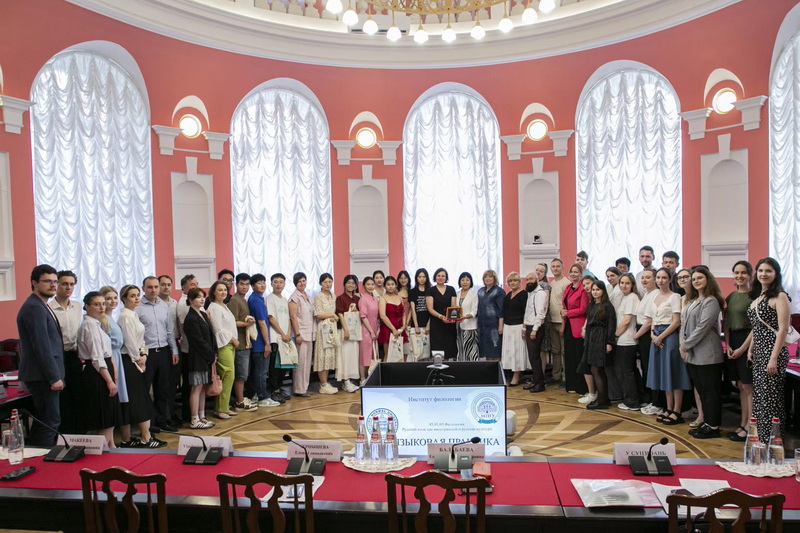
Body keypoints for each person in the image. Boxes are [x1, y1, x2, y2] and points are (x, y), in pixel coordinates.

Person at [17, 264, 65, 446]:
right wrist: (54, 377)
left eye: (55, 281)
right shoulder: (34, 307)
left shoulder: (40, 305)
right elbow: (41, 345)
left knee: (48, 420)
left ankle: (40, 454)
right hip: (42, 376)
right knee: (49, 421)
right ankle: (42, 457)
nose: (53, 285)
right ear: (34, 283)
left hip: (43, 374)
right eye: (47, 281)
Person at [746, 257, 791, 444]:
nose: (764, 274)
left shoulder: (780, 296)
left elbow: (783, 329)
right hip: (759, 353)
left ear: (776, 274)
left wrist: (773, 358)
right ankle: (761, 439)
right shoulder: (758, 297)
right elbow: (757, 328)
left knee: (771, 399)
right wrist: (750, 350)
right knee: (761, 398)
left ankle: (773, 441)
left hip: (773, 352)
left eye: (769, 271)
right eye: (761, 270)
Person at [680, 266, 725, 439]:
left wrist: (685, 345)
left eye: (700, 278)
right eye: (694, 279)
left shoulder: (711, 301)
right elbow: (684, 324)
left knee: (711, 392)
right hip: (694, 353)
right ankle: (706, 422)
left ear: (708, 280)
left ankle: (713, 426)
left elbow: (702, 328)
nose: (696, 281)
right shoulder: (692, 301)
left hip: (708, 354)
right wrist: (683, 345)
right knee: (702, 391)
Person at [117, 284, 161, 447]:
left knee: (141, 397)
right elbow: (129, 342)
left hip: (138, 358)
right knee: (138, 398)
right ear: (124, 299)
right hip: (129, 361)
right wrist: (137, 359)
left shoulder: (134, 314)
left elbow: (141, 339)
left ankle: (144, 435)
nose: (136, 298)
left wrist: (144, 354)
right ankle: (143, 437)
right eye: (132, 296)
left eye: (137, 295)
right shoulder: (125, 316)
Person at [77, 292, 121, 448]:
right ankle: (99, 449)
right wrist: (109, 380)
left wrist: (113, 373)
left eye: (103, 304)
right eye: (97, 304)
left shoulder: (96, 323)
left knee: (110, 414)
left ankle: (110, 447)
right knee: (106, 416)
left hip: (104, 368)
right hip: (97, 373)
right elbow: (97, 358)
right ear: (87, 307)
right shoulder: (89, 325)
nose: (102, 307)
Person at [135, 276, 179, 432]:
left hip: (164, 352)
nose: (153, 290)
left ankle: (162, 421)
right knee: (146, 389)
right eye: (150, 287)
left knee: (163, 389)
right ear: (143, 288)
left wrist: (174, 350)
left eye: (155, 287)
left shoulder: (163, 306)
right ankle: (150, 423)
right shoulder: (137, 308)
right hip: (147, 354)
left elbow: (169, 330)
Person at [647, 267, 690, 425]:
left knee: (673, 373)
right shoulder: (654, 297)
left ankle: (677, 410)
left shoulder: (674, 296)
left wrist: (661, 336)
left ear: (670, 279)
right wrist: (653, 335)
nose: (660, 280)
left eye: (664, 277)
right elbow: (653, 320)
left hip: (669, 336)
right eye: (658, 277)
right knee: (663, 373)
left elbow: (676, 321)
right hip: (656, 336)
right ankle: (668, 407)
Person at [48, 270, 82, 434]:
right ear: (57, 285)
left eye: (71, 284)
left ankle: (79, 434)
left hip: (75, 355)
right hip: (57, 356)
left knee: (78, 396)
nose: (68, 287)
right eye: (64, 284)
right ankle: (64, 434)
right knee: (63, 398)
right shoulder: (49, 308)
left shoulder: (77, 306)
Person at [724, 261, 754, 441]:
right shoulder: (731, 296)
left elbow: (756, 327)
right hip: (733, 340)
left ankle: (751, 426)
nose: (739, 276)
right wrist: (728, 344)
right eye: (736, 272)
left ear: (750, 275)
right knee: (741, 386)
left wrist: (743, 348)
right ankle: (743, 423)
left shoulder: (754, 296)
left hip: (748, 342)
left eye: (743, 273)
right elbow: (727, 323)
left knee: (749, 386)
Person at [182, 288, 218, 429]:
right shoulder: (190, 317)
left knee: (202, 388)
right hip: (197, 357)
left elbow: (210, 335)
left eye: (203, 296)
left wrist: (213, 353)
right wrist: (210, 354)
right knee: (196, 388)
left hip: (206, 356)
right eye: (198, 297)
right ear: (190, 300)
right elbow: (198, 340)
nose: (202, 299)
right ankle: (194, 419)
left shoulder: (202, 314)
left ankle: (202, 416)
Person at [205, 280, 239, 419]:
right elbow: (218, 329)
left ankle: (223, 406)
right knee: (227, 375)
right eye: (220, 290)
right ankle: (221, 409)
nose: (223, 292)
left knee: (229, 376)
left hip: (229, 344)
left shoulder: (224, 306)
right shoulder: (214, 307)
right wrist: (233, 339)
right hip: (223, 344)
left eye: (225, 290)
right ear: (214, 292)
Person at [582, 281, 617, 410]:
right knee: (595, 369)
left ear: (603, 291)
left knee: (597, 369)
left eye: (598, 289)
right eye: (593, 290)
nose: (595, 292)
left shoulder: (607, 306)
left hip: (601, 338)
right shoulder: (592, 305)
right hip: (592, 339)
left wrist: (609, 342)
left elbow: (611, 325)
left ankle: (602, 399)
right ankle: (603, 398)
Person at [226, 273, 258, 411]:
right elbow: (231, 322)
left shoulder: (243, 299)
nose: (244, 287)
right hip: (239, 343)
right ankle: (239, 401)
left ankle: (241, 398)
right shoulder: (234, 300)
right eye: (242, 284)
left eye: (247, 284)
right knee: (241, 374)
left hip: (246, 342)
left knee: (244, 373)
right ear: (236, 284)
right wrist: (246, 324)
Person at [247, 274, 279, 407]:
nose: (262, 285)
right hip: (260, 343)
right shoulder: (256, 300)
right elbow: (262, 323)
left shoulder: (257, 298)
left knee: (258, 371)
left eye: (263, 282)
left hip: (259, 343)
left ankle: (255, 394)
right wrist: (267, 344)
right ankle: (263, 397)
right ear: (253, 286)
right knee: (261, 372)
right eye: (259, 283)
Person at [635, 269, 661, 415]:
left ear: (655, 279)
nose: (644, 280)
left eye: (648, 277)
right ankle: (649, 398)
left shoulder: (655, 294)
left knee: (651, 367)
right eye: (643, 277)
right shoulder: (646, 294)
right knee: (645, 367)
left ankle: (655, 401)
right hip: (642, 332)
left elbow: (649, 320)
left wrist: (637, 335)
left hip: (647, 333)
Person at [614, 274, 641, 411]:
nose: (624, 286)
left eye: (627, 283)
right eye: (622, 283)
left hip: (627, 340)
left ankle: (632, 402)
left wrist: (615, 335)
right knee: (630, 371)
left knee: (626, 372)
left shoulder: (631, 298)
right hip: (624, 340)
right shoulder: (626, 297)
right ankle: (639, 398)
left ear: (632, 285)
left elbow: (626, 321)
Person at [562, 264, 589, 396]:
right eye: (571, 272)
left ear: (581, 273)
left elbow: (583, 309)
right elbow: (565, 305)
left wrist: (568, 313)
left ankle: (581, 387)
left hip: (578, 326)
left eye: (576, 272)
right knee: (569, 356)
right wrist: (563, 311)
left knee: (578, 356)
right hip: (568, 325)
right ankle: (571, 384)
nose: (573, 274)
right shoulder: (568, 287)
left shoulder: (583, 289)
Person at [175, 274, 199, 422]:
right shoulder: (184, 303)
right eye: (192, 284)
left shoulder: (193, 302)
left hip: (194, 348)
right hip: (189, 348)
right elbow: (187, 328)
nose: (196, 286)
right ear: (184, 288)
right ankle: (188, 414)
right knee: (190, 384)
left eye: (197, 284)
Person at [157, 274, 181, 427]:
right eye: (163, 284)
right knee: (163, 385)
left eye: (168, 284)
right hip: (161, 345)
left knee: (173, 383)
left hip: (175, 344)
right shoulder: (156, 304)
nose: (166, 287)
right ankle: (163, 416)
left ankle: (171, 413)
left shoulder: (174, 303)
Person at [267, 273, 294, 403]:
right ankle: (274, 391)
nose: (278, 284)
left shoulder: (284, 299)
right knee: (275, 367)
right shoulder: (269, 298)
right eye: (275, 282)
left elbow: (288, 319)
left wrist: (288, 333)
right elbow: (271, 317)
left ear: (284, 284)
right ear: (271, 284)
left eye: (281, 282)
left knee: (284, 365)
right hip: (275, 338)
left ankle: (279, 387)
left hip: (286, 338)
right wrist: (282, 333)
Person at [289, 272, 314, 397]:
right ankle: (299, 389)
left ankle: (305, 387)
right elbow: (293, 317)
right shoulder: (294, 297)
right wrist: (297, 334)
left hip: (309, 332)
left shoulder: (307, 296)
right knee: (300, 363)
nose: (302, 283)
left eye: (304, 280)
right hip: (301, 334)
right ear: (295, 283)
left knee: (307, 363)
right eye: (299, 281)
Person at [314, 273, 340, 394]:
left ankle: (326, 383)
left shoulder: (333, 296)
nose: (328, 284)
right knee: (322, 355)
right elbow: (317, 314)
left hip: (332, 328)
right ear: (321, 283)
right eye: (325, 282)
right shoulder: (318, 297)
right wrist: (332, 315)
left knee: (329, 355)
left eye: (330, 282)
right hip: (323, 328)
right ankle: (323, 384)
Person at [501, 272, 528, 386]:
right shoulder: (508, 296)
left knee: (517, 351)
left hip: (519, 326)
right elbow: (504, 312)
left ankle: (517, 374)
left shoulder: (524, 294)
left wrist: (524, 327)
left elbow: (526, 312)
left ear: (519, 282)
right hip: (508, 326)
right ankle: (511, 373)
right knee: (510, 351)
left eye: (515, 280)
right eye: (510, 281)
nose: (513, 283)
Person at [523, 274, 548, 392]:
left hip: (535, 328)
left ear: (537, 280)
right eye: (527, 279)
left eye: (531, 279)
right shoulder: (530, 293)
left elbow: (540, 313)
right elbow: (527, 312)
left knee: (535, 357)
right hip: (529, 327)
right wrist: (524, 328)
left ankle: (540, 384)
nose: (529, 281)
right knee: (532, 357)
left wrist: (534, 330)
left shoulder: (540, 294)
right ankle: (536, 381)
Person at [336, 274, 361, 392]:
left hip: (354, 331)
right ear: (344, 284)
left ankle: (349, 380)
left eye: (353, 283)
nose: (351, 285)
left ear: (356, 286)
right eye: (348, 283)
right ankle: (345, 381)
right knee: (344, 356)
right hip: (344, 331)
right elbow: (340, 314)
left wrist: (356, 310)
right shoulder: (340, 298)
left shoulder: (357, 299)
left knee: (353, 356)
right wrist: (345, 330)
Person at [426, 268, 458, 359]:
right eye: (438, 276)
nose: (440, 278)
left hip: (449, 324)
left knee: (449, 350)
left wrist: (452, 318)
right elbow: (430, 308)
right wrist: (441, 316)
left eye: (443, 276)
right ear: (435, 277)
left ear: (446, 278)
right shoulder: (431, 290)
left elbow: (453, 306)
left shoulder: (451, 289)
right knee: (437, 350)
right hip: (436, 323)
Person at [548, 258, 570, 385]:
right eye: (553, 266)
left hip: (562, 322)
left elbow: (567, 305)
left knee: (564, 351)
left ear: (562, 268)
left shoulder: (566, 283)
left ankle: (566, 377)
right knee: (555, 351)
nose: (555, 268)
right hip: (552, 321)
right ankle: (556, 376)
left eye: (558, 266)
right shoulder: (552, 283)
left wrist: (564, 321)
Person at [378, 276, 409, 361]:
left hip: (400, 329)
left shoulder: (399, 297)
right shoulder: (383, 299)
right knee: (388, 354)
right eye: (388, 284)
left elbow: (403, 313)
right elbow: (382, 316)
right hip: (388, 328)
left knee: (401, 354)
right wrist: (393, 329)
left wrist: (403, 326)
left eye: (392, 284)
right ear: (384, 286)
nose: (390, 286)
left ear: (396, 285)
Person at [477, 270, 504, 360]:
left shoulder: (499, 291)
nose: (487, 279)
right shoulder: (480, 291)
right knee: (486, 352)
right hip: (482, 326)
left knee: (495, 350)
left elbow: (501, 310)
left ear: (494, 278)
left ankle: (496, 368)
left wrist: (500, 326)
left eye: (490, 277)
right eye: (486, 277)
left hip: (494, 325)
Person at [358, 276, 380, 378]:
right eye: (368, 284)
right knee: (364, 355)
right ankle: (362, 378)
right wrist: (371, 331)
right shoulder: (363, 299)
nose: (370, 286)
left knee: (373, 355)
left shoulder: (375, 299)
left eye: (372, 284)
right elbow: (363, 316)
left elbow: (378, 316)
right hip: (366, 330)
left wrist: (378, 329)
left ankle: (370, 377)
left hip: (375, 329)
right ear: (363, 286)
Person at [456, 272, 479, 362]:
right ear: (459, 282)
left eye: (467, 280)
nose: (465, 282)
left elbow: (474, 310)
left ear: (471, 282)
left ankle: (472, 368)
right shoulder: (457, 293)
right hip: (458, 326)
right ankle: (462, 368)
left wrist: (465, 317)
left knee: (470, 350)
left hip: (470, 326)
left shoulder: (474, 294)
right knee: (460, 349)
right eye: (463, 280)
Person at [409, 268, 431, 336]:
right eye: (420, 277)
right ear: (416, 278)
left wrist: (428, 325)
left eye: (424, 277)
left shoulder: (431, 291)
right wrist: (416, 326)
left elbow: (432, 309)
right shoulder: (412, 292)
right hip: (416, 324)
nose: (422, 279)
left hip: (429, 324)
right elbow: (413, 309)